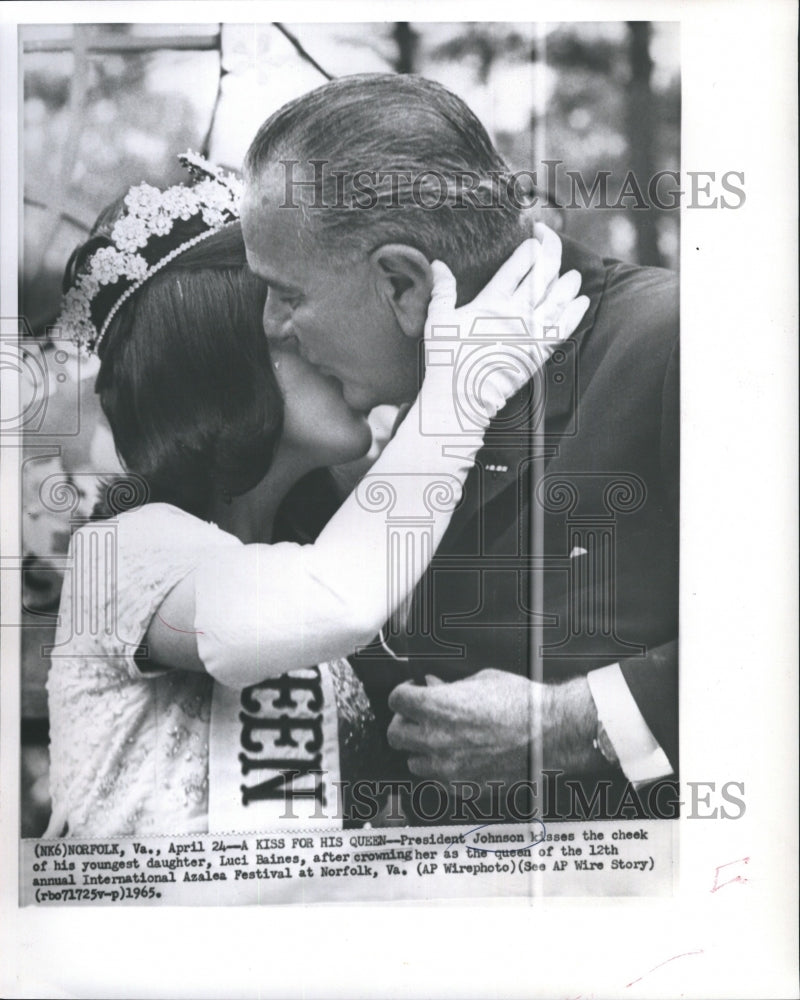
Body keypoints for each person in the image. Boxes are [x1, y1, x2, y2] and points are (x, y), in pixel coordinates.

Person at [44, 155, 587, 837]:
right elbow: (325, 601)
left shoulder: (329, 543)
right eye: (296, 314)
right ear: (224, 351)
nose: (340, 342)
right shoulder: (120, 551)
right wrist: (461, 393)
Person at [240, 73, 679, 822]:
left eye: (288, 293)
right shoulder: (366, 435)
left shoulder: (675, 342)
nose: (275, 326)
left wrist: (577, 722)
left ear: (402, 284)